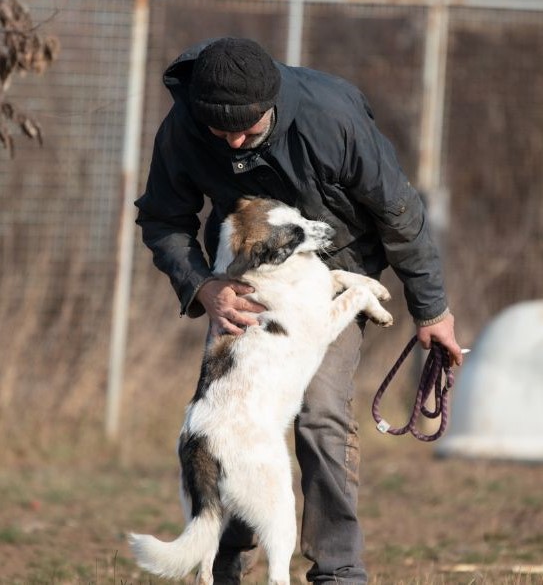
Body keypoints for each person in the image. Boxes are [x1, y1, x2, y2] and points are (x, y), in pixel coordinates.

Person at [135, 37, 463, 584]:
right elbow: (163, 219)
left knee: (321, 413)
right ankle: (225, 565)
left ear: (272, 104)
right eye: (223, 131)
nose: (235, 140)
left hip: (338, 268)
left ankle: (338, 572)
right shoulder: (185, 127)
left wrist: (431, 311)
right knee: (236, 424)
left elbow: (400, 213)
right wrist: (203, 287)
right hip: (248, 279)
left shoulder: (330, 117)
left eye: (248, 128)